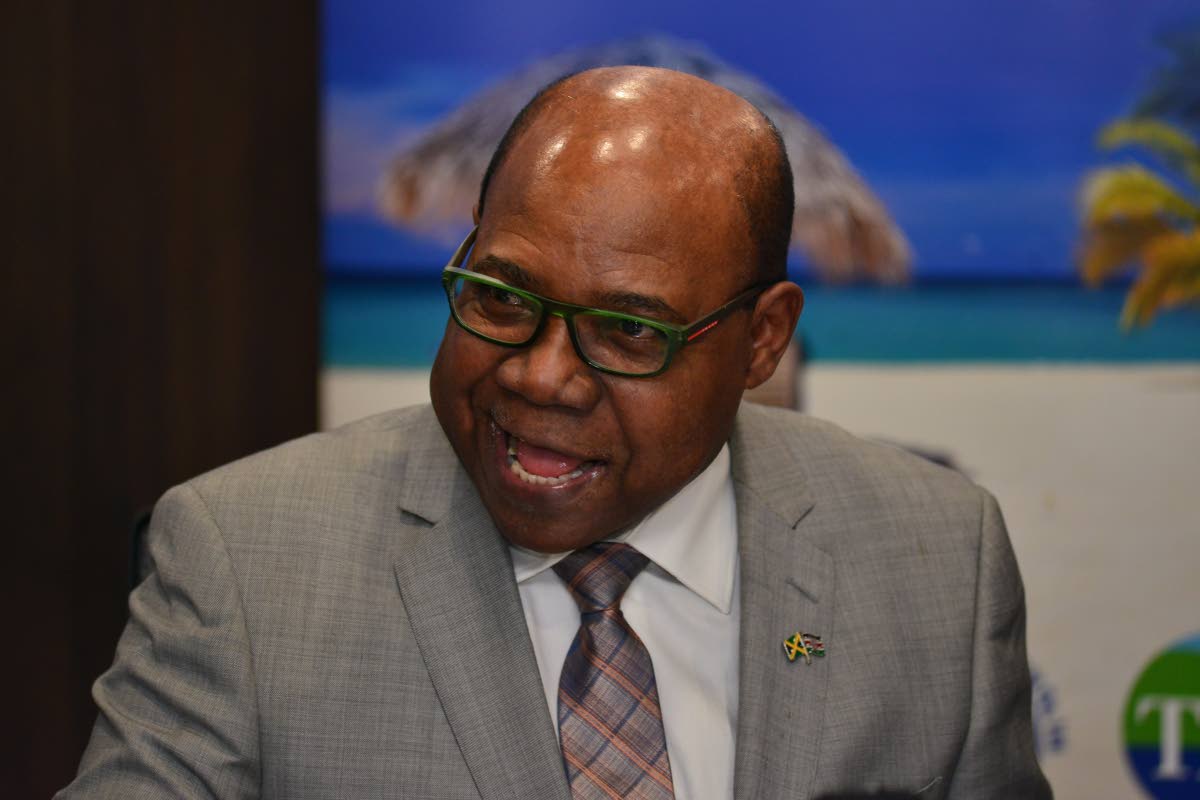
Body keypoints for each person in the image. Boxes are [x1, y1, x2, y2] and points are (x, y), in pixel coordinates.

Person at [59, 67, 1050, 799]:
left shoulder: (937, 559)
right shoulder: (243, 559)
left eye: (628, 331)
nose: (539, 374)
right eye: (501, 296)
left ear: (762, 341)